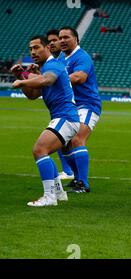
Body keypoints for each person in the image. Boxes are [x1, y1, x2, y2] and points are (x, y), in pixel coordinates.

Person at [10, 35, 79, 206]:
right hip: (62, 117)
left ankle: (49, 197)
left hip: (66, 117)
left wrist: (21, 81)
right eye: (31, 49)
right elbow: (32, 95)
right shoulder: (46, 68)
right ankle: (58, 192)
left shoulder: (53, 65)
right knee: (43, 151)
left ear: (47, 48)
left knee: (39, 149)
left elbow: (47, 80)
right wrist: (21, 76)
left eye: (36, 47)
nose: (33, 52)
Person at [58, 26, 102, 193]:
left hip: (87, 105)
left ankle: (83, 184)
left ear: (76, 39)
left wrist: (56, 79)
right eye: (60, 37)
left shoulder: (81, 56)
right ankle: (77, 179)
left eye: (66, 37)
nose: (62, 40)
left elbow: (79, 77)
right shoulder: (62, 57)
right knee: (63, 144)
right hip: (71, 106)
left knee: (77, 139)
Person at [46, 29, 75, 181]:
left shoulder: (61, 62)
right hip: (61, 110)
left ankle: (78, 177)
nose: (52, 43)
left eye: (55, 40)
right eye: (49, 41)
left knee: (43, 148)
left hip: (71, 109)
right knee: (62, 141)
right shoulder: (56, 62)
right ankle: (71, 173)